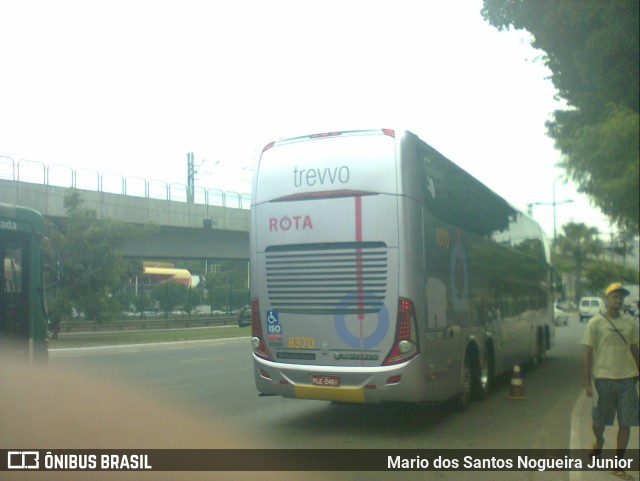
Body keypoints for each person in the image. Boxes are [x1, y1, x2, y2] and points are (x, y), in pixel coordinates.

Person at [582, 282, 639, 465]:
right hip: (603, 379)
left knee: (626, 422)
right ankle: (599, 441)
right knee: (598, 422)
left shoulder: (630, 324)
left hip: (627, 380)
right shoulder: (595, 323)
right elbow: (588, 355)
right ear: (606, 299)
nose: (618, 300)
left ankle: (618, 460)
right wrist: (587, 383)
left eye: (621, 297)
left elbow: (635, 349)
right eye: (614, 296)